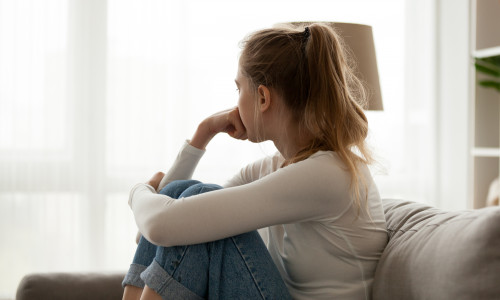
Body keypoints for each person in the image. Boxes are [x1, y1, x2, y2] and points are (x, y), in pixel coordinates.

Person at [122, 23, 388, 300]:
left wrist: (138, 192)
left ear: (263, 97)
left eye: (239, 89)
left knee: (198, 198)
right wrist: (204, 133)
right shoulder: (276, 167)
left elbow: (159, 225)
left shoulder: (329, 174)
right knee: (184, 195)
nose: (235, 103)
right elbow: (156, 231)